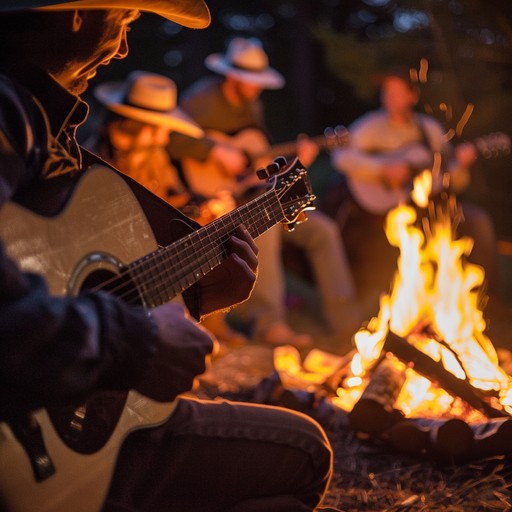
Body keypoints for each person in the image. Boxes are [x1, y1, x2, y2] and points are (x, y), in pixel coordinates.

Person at [0, 3, 335, 512]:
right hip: (27, 442)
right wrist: (138, 339)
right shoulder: (9, 111)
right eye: (126, 22)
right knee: (305, 454)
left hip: (63, 423)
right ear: (78, 15)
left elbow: (60, 277)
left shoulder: (43, 121)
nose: (125, 47)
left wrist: (195, 292)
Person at [168, 36, 360, 350]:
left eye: (259, 81)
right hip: (207, 203)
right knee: (266, 225)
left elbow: (254, 162)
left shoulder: (252, 106)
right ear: (232, 76)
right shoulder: (202, 100)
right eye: (250, 81)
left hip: (245, 195)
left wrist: (294, 161)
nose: (256, 88)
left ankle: (348, 324)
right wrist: (213, 150)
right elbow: (170, 136)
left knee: (322, 229)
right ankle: (268, 325)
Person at [328, 68, 507, 335]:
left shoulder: (429, 130)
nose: (390, 98)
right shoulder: (371, 125)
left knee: (477, 220)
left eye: (397, 92)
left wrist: (461, 165)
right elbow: (341, 157)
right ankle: (392, 313)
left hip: (426, 207)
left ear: (412, 96)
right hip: (383, 210)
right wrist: (382, 169)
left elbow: (451, 181)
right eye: (386, 92)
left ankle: (484, 304)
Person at [89, 69, 248, 347]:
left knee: (215, 226)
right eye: (160, 128)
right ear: (138, 127)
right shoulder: (95, 161)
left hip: (152, 248)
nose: (165, 138)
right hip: (114, 268)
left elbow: (175, 197)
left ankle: (208, 325)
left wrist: (204, 204)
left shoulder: (154, 156)